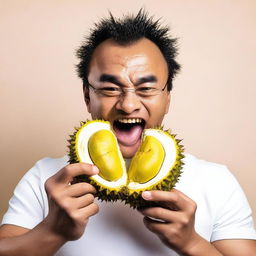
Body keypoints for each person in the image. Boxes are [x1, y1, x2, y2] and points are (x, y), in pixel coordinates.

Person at [0, 10, 255, 256]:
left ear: (167, 98)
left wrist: (192, 243)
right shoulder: (46, 178)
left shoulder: (217, 181)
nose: (128, 104)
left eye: (146, 88)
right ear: (88, 96)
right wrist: (53, 231)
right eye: (110, 88)